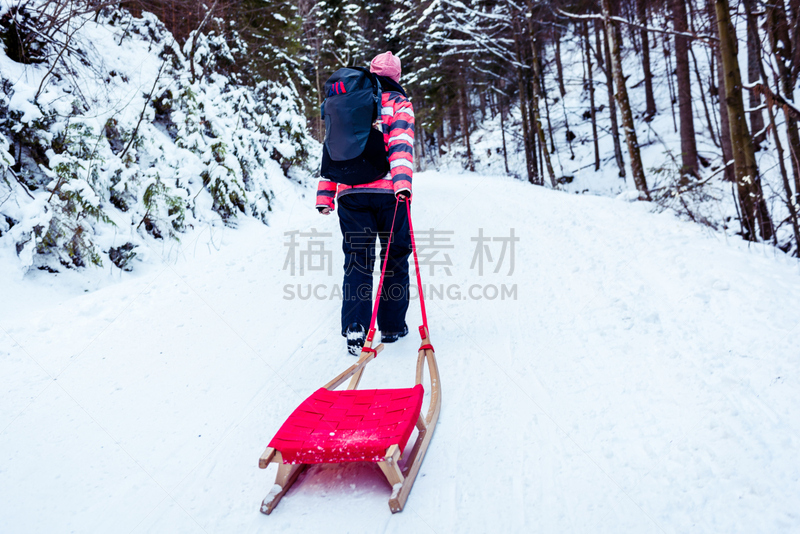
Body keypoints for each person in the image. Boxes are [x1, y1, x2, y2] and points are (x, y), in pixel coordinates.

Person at [316, 51, 415, 355]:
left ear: (371, 72)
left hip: (350, 194)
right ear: (397, 77)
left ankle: (356, 327)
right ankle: (392, 326)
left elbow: (333, 147)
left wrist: (325, 193)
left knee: (357, 257)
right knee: (394, 255)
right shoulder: (399, 104)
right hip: (388, 193)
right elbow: (400, 145)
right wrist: (402, 185)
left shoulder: (348, 101)